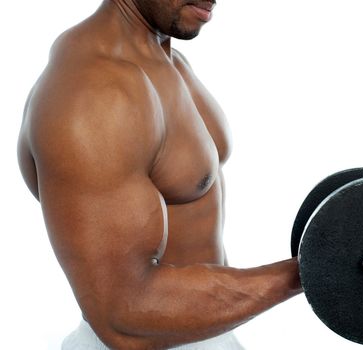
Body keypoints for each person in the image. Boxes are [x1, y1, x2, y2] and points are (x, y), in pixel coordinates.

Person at [17, 0, 303, 349]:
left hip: (208, 332)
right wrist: (305, 273)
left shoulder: (169, 60)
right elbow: (121, 315)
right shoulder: (95, 93)